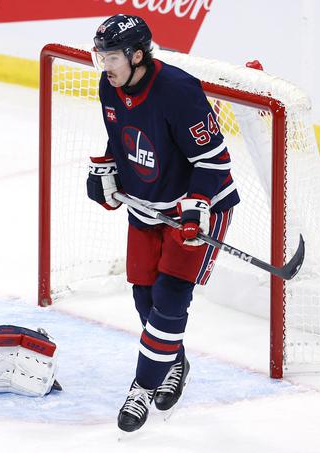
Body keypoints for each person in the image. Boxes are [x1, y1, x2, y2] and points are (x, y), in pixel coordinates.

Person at [87, 15, 239, 432]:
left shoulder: (178, 91)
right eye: (101, 56)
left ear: (137, 56)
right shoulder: (109, 86)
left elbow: (214, 161)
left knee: (170, 300)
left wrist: (197, 205)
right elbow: (120, 140)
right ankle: (175, 361)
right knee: (144, 298)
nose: (105, 65)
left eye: (112, 56)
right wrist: (106, 176)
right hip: (147, 207)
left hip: (196, 210)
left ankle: (141, 387)